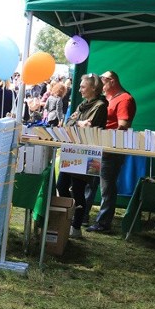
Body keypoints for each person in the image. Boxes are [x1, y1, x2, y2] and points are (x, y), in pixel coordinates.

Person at [56, 73, 108, 238]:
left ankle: (76, 226)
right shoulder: (82, 105)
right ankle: (68, 216)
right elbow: (68, 123)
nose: (79, 90)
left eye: (83, 87)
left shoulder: (100, 106)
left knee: (78, 190)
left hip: (87, 153)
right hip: (73, 151)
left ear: (93, 88)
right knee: (61, 185)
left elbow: (89, 128)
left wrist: (77, 124)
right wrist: (78, 123)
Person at [87, 71, 137, 233]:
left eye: (102, 81)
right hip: (99, 147)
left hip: (111, 150)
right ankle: (84, 217)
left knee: (106, 187)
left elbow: (123, 126)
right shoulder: (108, 98)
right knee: (92, 183)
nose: (100, 85)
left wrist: (106, 139)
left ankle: (103, 223)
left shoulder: (125, 99)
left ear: (111, 81)